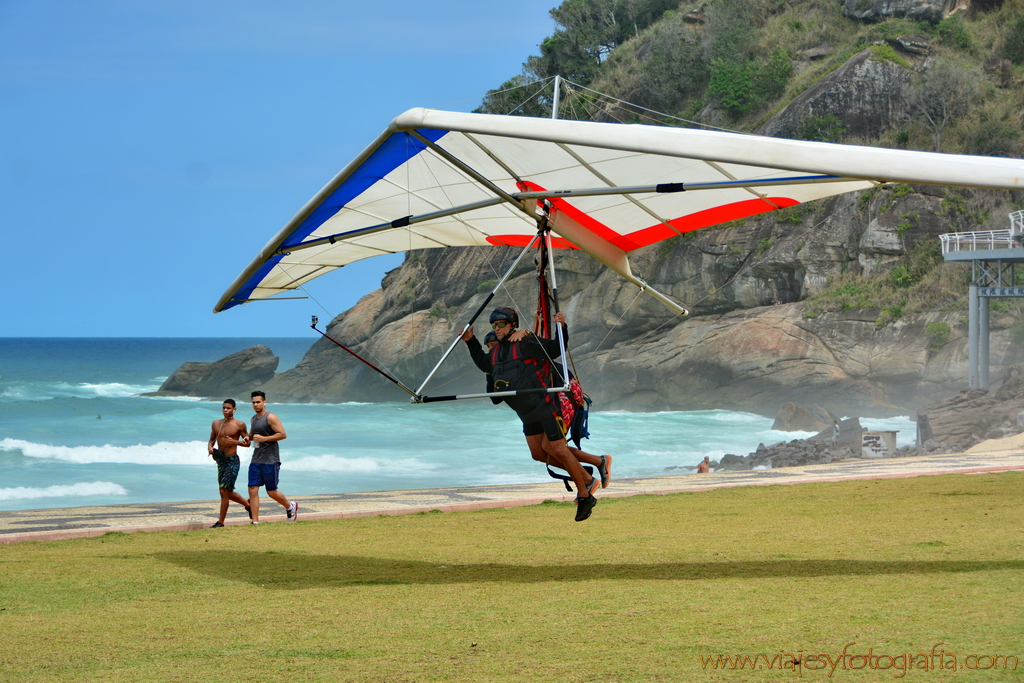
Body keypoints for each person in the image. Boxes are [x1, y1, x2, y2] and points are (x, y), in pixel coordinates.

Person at [463, 306, 610, 522]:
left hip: (545, 407)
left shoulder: (525, 343)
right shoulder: (495, 353)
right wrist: (470, 341)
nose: (498, 329)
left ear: (512, 325)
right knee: (539, 454)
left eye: (501, 324)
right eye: (495, 326)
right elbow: (483, 364)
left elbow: (554, 349)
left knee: (558, 449)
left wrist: (562, 327)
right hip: (526, 412)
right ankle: (590, 473)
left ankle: (585, 494)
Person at [243, 391, 298, 524]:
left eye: (258, 402)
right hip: (256, 459)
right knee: (252, 489)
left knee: (271, 491)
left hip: (270, 460)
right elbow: (253, 434)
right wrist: (247, 437)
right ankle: (255, 522)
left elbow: (282, 434)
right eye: (253, 402)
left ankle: (290, 506)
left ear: (264, 402)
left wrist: (264, 439)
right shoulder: (253, 419)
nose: (255, 404)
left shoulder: (271, 417)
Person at [207, 399, 253, 527]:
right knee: (225, 491)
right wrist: (210, 447)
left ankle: (220, 522)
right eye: (224, 408)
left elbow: (248, 443)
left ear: (234, 409)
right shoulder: (216, 423)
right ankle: (248, 505)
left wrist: (235, 442)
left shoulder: (239, 425)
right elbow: (211, 440)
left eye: (228, 408)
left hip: (232, 461)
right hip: (221, 461)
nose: (226, 410)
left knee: (223, 491)